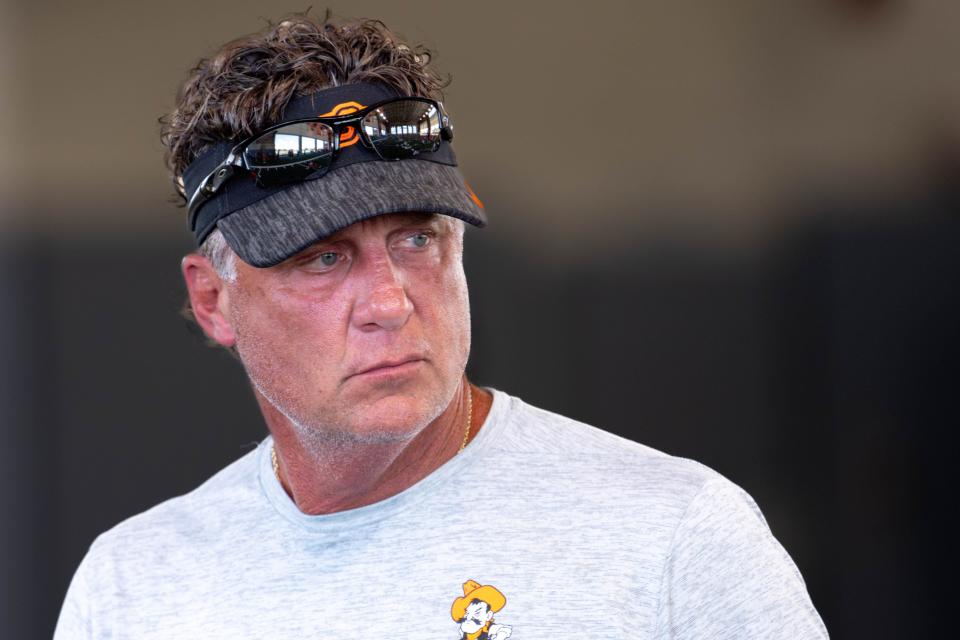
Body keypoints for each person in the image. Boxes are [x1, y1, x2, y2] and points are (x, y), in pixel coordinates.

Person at [54, 13, 828, 639]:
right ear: (214, 301)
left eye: (417, 240)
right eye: (323, 260)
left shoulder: (673, 535)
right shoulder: (135, 588)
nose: (389, 303)